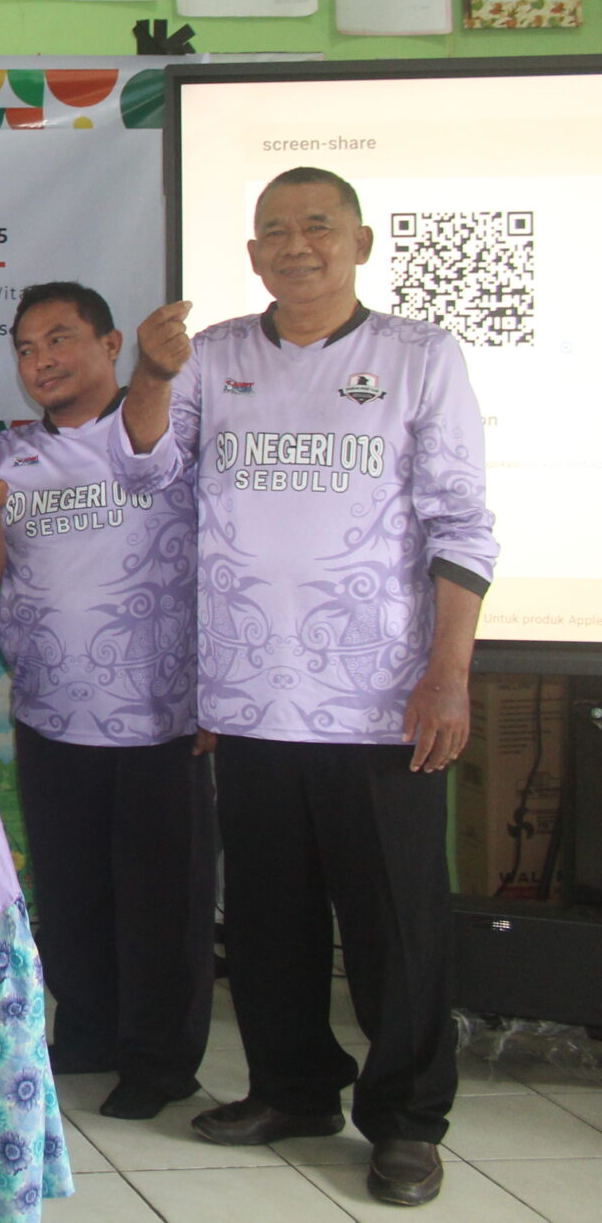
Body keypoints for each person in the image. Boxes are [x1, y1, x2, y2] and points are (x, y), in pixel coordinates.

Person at [108, 168, 496, 1207]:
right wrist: (150, 374)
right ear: (251, 255)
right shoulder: (214, 355)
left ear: (358, 242)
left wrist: (448, 674)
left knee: (394, 929)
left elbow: (461, 522)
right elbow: (145, 472)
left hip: (381, 702)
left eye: (317, 226)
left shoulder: (418, 356)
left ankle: (406, 1123)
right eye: (274, 230)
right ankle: (293, 1088)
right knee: (269, 919)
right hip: (250, 696)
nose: (295, 245)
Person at [0, 283, 212, 1122]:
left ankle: (160, 1061)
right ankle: (90, 1031)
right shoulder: (11, 453)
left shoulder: (166, 431)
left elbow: (191, 508)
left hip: (159, 714)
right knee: (70, 893)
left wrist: (156, 375)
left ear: (110, 344)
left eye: (59, 339)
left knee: (160, 899)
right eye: (26, 349)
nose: (42, 361)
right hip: (52, 711)